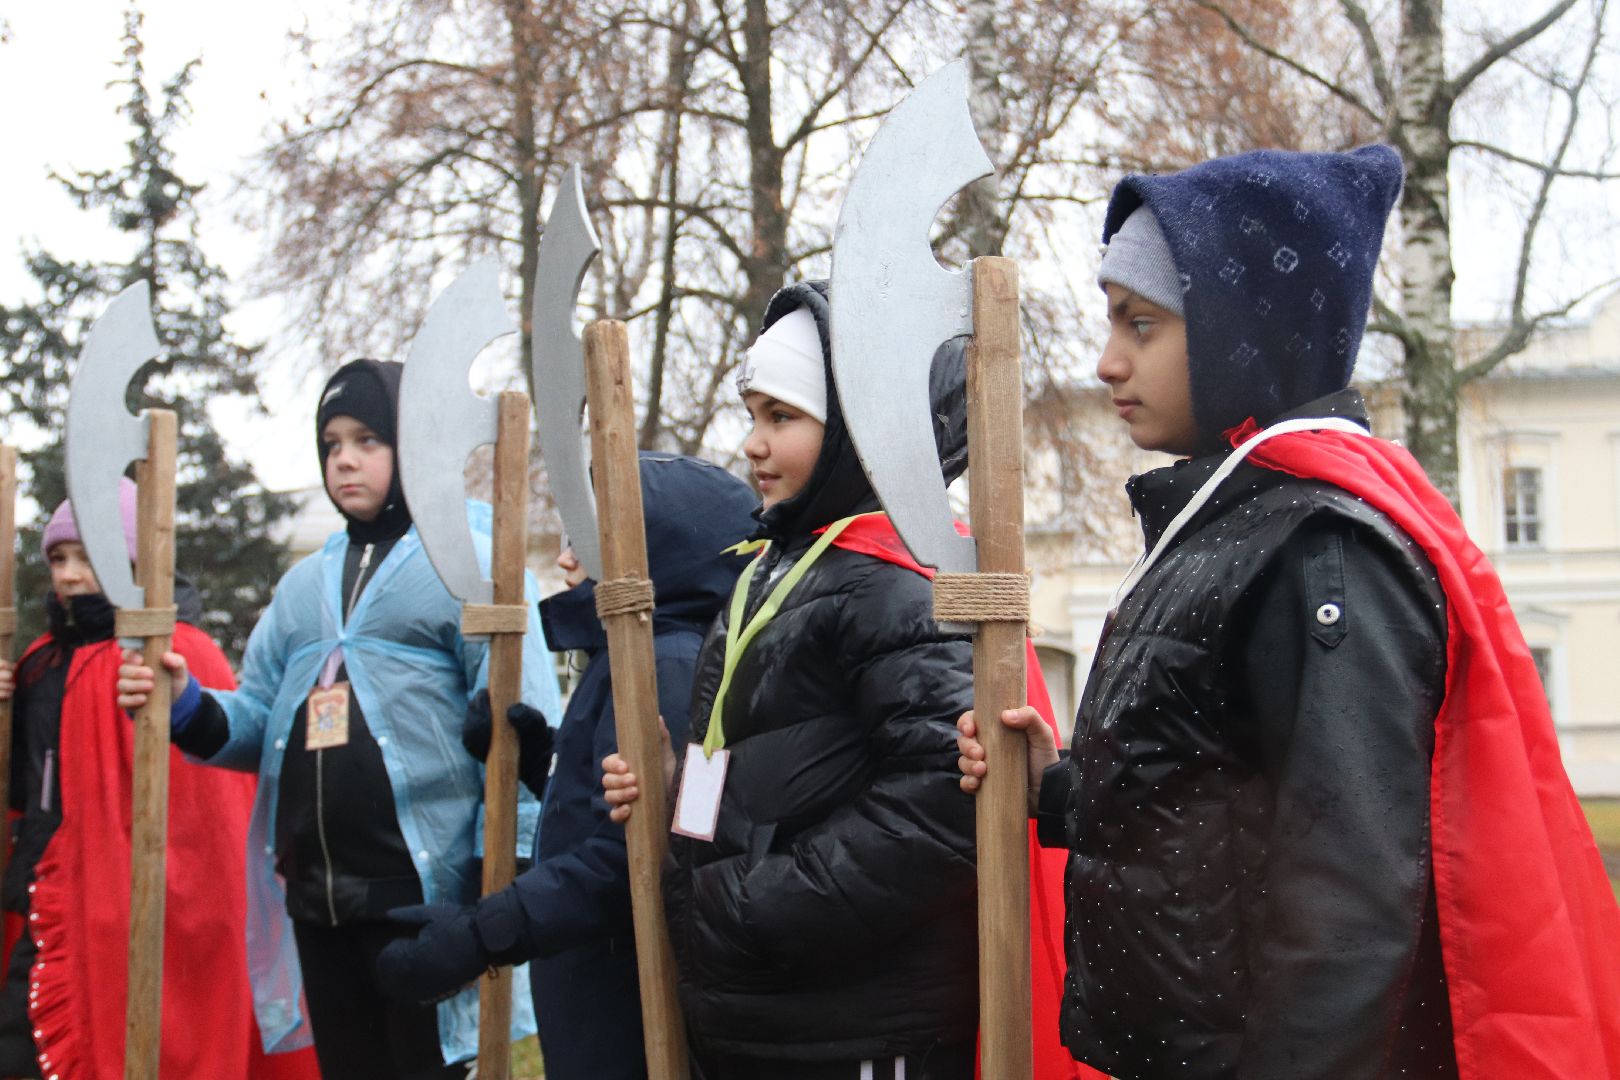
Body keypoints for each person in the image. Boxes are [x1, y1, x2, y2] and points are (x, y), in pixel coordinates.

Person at [957, 145, 1620, 1078]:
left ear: (1244, 326)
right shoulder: (1231, 523)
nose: (1108, 362)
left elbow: (1347, 905)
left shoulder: (1320, 551)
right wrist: (1058, 785)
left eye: (1141, 324)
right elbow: (1218, 798)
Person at [116, 358, 562, 1079]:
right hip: (317, 898)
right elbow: (262, 718)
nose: (345, 459)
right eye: (331, 443)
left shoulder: (475, 565)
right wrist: (188, 705)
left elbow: (523, 724)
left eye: (367, 439)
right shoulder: (301, 588)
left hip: (422, 901)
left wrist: (493, 882)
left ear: (409, 446)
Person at [603, 282, 984, 1080]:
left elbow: (941, 812)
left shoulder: (899, 588)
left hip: (855, 1029)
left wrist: (744, 906)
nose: (751, 443)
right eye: (752, 414)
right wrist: (675, 793)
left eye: (782, 417)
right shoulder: (772, 571)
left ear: (853, 431)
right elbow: (763, 766)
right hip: (760, 1015)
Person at [374, 451, 759, 1080]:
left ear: (656, 548)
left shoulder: (664, 663)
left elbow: (630, 856)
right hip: (594, 988)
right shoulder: (629, 652)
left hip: (627, 1001)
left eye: (586, 540)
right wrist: (543, 764)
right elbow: (612, 802)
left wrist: (482, 934)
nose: (564, 559)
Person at [0, 479, 318, 1080]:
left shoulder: (176, 654)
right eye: (59, 559)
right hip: (50, 906)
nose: (69, 576)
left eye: (88, 558)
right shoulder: (43, 659)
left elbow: (210, 826)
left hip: (144, 916)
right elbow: (25, 787)